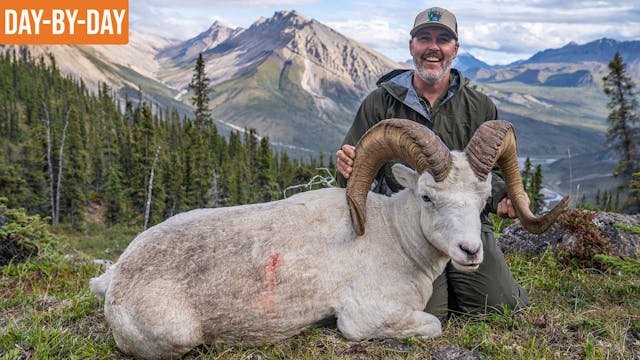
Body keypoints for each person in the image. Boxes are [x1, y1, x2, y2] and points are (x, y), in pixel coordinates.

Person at [335, 7, 529, 320]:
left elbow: (490, 176)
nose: (433, 47)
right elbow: (354, 174)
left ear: (455, 49)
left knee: (501, 306)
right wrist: (347, 170)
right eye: (424, 38)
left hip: (464, 219)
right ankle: (445, 286)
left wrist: (506, 196)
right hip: (405, 225)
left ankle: (462, 281)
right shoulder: (380, 103)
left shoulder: (480, 106)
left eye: (443, 39)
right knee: (423, 313)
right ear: (412, 46)